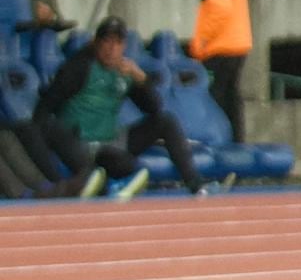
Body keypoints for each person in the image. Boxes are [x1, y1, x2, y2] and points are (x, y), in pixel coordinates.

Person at [41, 20, 204, 195]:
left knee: (166, 121)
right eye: (107, 42)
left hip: (111, 140)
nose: (112, 49)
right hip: (82, 141)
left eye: (117, 43)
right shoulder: (79, 67)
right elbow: (48, 105)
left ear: (124, 46)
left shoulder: (124, 72)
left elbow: (154, 108)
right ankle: (105, 184)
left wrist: (141, 80)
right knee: (119, 164)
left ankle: (195, 182)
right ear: (96, 43)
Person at [175, 0, 253, 142]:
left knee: (215, 97)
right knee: (231, 96)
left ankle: (219, 142)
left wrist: (201, 43)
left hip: (221, 44)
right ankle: (237, 142)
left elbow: (218, 7)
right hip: (238, 41)